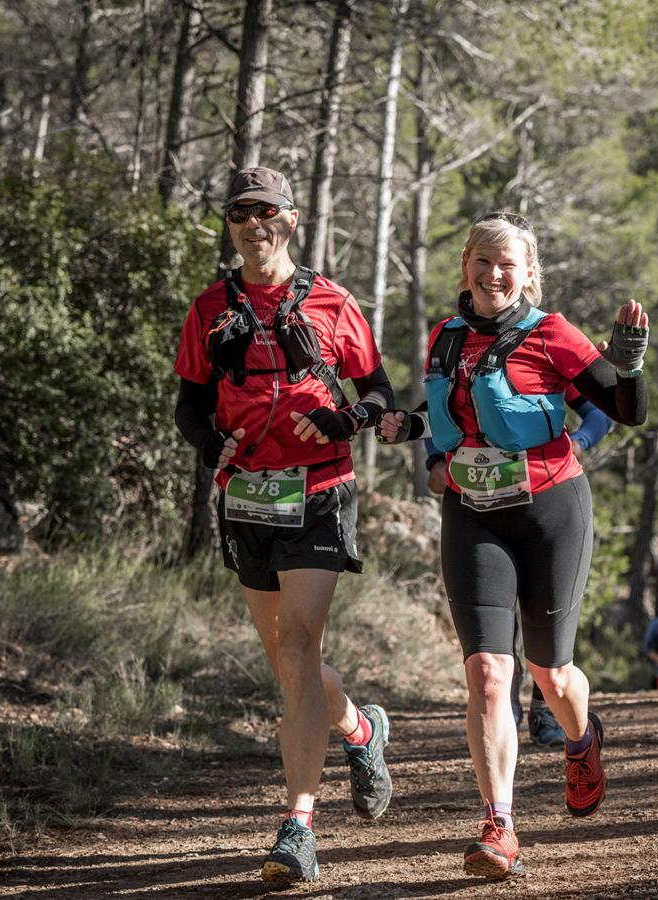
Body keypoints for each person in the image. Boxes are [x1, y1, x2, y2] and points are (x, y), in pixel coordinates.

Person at [379, 212, 648, 879]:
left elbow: (623, 409)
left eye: (509, 265)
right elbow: (445, 420)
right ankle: (499, 825)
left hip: (550, 510)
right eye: (483, 261)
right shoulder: (444, 338)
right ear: (465, 266)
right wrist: (408, 434)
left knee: (550, 675)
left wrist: (630, 365)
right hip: (472, 514)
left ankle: (581, 737)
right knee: (486, 674)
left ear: (528, 273)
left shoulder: (551, 333)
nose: (495, 274)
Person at [172, 167, 397, 884]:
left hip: (321, 490)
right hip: (245, 497)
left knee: (300, 645)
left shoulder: (331, 301)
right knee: (287, 661)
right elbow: (188, 407)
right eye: (241, 212)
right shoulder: (210, 307)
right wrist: (213, 443)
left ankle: (297, 828)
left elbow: (379, 394)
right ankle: (362, 730)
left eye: (266, 211)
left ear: (291, 220)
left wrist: (346, 417)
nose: (254, 223)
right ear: (231, 224)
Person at [424, 388, 613, 747]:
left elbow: (600, 413)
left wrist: (580, 441)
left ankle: (546, 705)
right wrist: (434, 459)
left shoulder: (542, 345)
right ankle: (506, 696)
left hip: (549, 501)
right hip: (480, 510)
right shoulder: (462, 345)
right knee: (498, 621)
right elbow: (432, 410)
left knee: (549, 616)